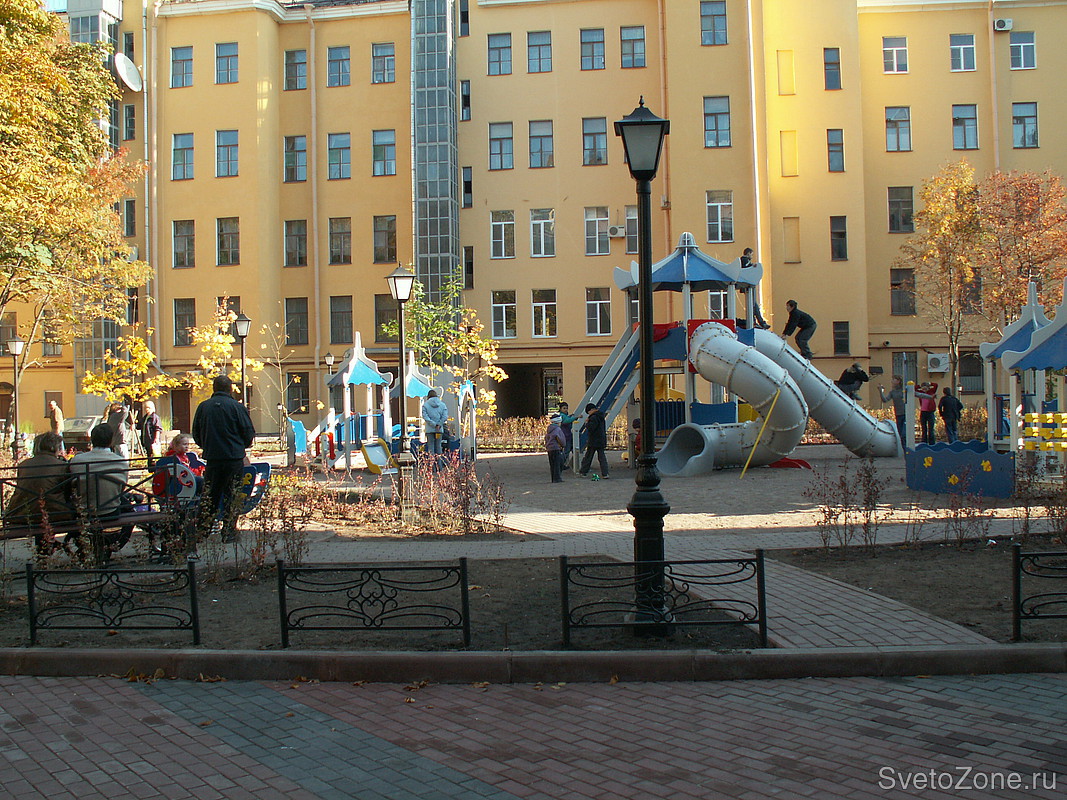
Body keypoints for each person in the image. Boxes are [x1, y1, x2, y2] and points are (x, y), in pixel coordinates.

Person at [191, 375, 255, 542]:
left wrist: (207, 445)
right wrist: (240, 446)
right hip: (233, 458)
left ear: (214, 388)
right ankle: (229, 532)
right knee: (232, 495)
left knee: (210, 495)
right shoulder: (237, 407)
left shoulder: (204, 407)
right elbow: (248, 432)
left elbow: (196, 432)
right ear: (230, 389)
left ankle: (202, 531)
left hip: (213, 458)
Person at [69, 423, 133, 560]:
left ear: (92, 440)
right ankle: (114, 544)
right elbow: (122, 488)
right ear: (111, 440)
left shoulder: (77, 460)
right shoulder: (121, 461)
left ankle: (88, 545)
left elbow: (72, 486)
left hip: (84, 511)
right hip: (110, 511)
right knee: (130, 510)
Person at [6, 432, 73, 556]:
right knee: (56, 506)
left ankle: (44, 550)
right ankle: (55, 547)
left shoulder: (23, 465)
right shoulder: (62, 466)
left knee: (39, 503)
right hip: (54, 514)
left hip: (22, 513)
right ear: (55, 447)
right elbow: (68, 491)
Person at [739, 248, 770, 329]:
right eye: (751, 254)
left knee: (753, 304)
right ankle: (758, 322)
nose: (752, 256)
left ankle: (757, 321)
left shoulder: (743, 260)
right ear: (748, 253)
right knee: (753, 305)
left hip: (747, 285)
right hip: (748, 285)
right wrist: (753, 266)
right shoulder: (744, 260)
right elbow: (746, 268)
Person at [578, 403, 609, 479]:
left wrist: (587, 423)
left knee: (588, 457)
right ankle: (605, 473)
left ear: (591, 410)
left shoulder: (593, 417)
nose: (588, 414)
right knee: (602, 457)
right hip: (601, 439)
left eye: (588, 412)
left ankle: (583, 472)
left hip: (593, 440)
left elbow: (591, 427)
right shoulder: (601, 416)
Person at [879, 376, 907, 446]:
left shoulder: (904, 391)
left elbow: (916, 394)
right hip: (898, 414)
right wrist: (880, 391)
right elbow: (885, 400)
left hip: (906, 414)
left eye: (893, 380)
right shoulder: (892, 392)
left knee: (904, 434)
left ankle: (908, 449)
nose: (892, 381)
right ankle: (905, 450)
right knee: (901, 435)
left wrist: (929, 397)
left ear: (898, 381)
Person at [421, 389, 449, 456]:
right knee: (438, 446)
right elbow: (445, 416)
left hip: (429, 429)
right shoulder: (442, 405)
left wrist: (433, 424)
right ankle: (439, 462)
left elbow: (425, 416)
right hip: (439, 429)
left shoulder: (425, 405)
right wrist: (439, 424)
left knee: (431, 447)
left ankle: (431, 461)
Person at [140, 400, 163, 469]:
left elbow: (158, 428)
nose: (147, 409)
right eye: (146, 408)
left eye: (149, 407)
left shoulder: (154, 417)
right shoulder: (145, 418)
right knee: (149, 456)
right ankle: (150, 470)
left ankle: (155, 470)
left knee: (154, 456)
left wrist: (156, 438)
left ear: (153, 408)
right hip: (146, 440)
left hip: (152, 440)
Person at [557, 401, 580, 469]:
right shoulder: (562, 416)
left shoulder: (564, 415)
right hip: (566, 436)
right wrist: (575, 417)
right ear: (560, 409)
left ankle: (562, 464)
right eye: (564, 408)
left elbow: (567, 419)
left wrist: (570, 417)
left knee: (568, 450)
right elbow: (567, 421)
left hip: (567, 435)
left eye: (566, 408)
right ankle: (561, 464)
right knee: (566, 451)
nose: (566, 410)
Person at [915, 381, 939, 445]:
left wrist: (930, 383)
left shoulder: (931, 392)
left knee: (931, 428)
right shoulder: (921, 393)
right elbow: (914, 389)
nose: (924, 390)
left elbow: (936, 385)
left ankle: (932, 443)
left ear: (928, 388)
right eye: (923, 388)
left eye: (925, 388)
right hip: (923, 412)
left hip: (930, 412)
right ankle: (924, 442)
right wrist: (919, 386)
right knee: (924, 428)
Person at [545, 414, 566, 483]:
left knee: (552, 464)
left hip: (549, 448)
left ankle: (553, 478)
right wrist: (563, 445)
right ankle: (557, 478)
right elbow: (560, 438)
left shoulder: (549, 429)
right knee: (558, 463)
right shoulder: (557, 429)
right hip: (556, 448)